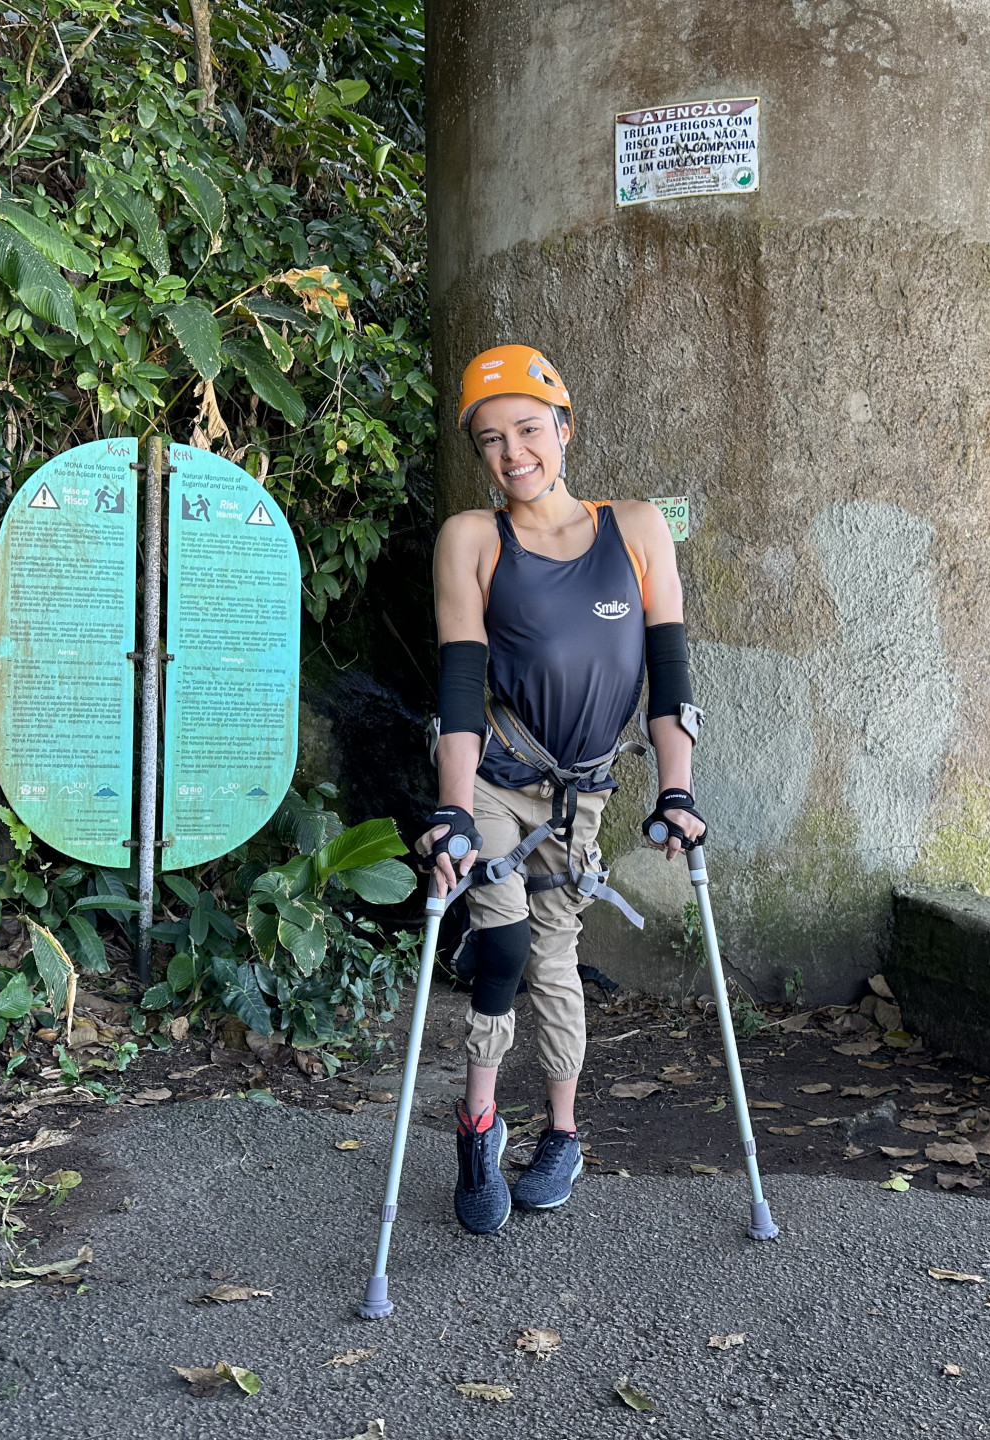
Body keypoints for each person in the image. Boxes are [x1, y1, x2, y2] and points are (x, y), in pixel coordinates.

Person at [419, 344, 706, 1234]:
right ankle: (476, 1126)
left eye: (529, 430)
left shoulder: (637, 529)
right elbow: (460, 687)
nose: (514, 453)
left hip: (580, 795)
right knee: (503, 943)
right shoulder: (472, 539)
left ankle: (562, 1134)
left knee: (553, 957)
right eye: (491, 439)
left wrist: (676, 791)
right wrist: (453, 809)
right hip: (497, 780)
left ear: (565, 428)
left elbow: (669, 678)